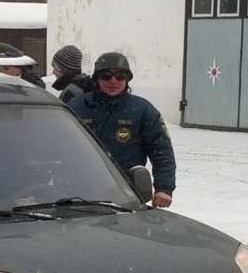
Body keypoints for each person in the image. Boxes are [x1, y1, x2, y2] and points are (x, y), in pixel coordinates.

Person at [69, 51, 176, 207]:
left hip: (126, 192)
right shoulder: (76, 106)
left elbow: (161, 151)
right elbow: (55, 146)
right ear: (96, 79)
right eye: (106, 76)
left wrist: (164, 188)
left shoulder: (142, 110)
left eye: (120, 76)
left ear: (127, 80)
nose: (113, 81)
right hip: (78, 191)